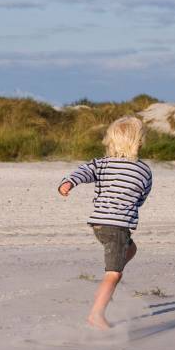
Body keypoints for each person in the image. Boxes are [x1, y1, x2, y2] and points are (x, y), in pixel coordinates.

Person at [58, 116, 153, 329]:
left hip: (99, 224)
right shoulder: (144, 169)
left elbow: (83, 172)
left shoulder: (101, 164)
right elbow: (141, 197)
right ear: (139, 142)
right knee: (114, 273)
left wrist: (68, 183)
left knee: (131, 249)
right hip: (117, 227)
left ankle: (105, 286)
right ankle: (97, 314)